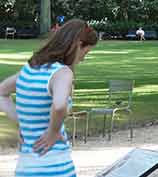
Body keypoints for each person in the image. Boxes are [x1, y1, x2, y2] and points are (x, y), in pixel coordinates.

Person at [0, 19, 99, 177]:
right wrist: (53, 131)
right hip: (55, 167)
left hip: (25, 169)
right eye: (85, 52)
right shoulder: (62, 73)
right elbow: (59, 105)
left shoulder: (29, 69)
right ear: (77, 45)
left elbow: (1, 93)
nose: (83, 58)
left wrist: (24, 122)